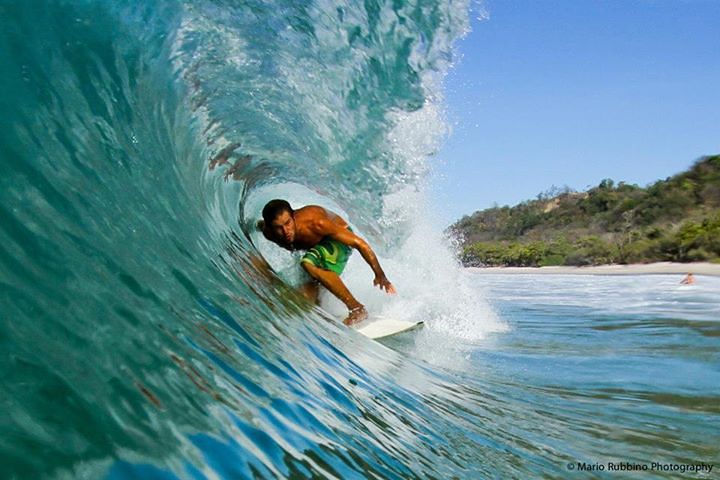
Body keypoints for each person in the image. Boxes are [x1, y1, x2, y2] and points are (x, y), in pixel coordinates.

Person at [257, 199, 396, 325]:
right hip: (318, 250)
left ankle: (357, 309)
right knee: (305, 296)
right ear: (270, 228)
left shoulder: (316, 223)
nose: (285, 231)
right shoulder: (268, 233)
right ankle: (321, 320)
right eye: (278, 227)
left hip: (339, 240)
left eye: (288, 223)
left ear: (294, 217)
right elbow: (256, 225)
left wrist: (380, 275)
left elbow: (360, 244)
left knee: (308, 263)